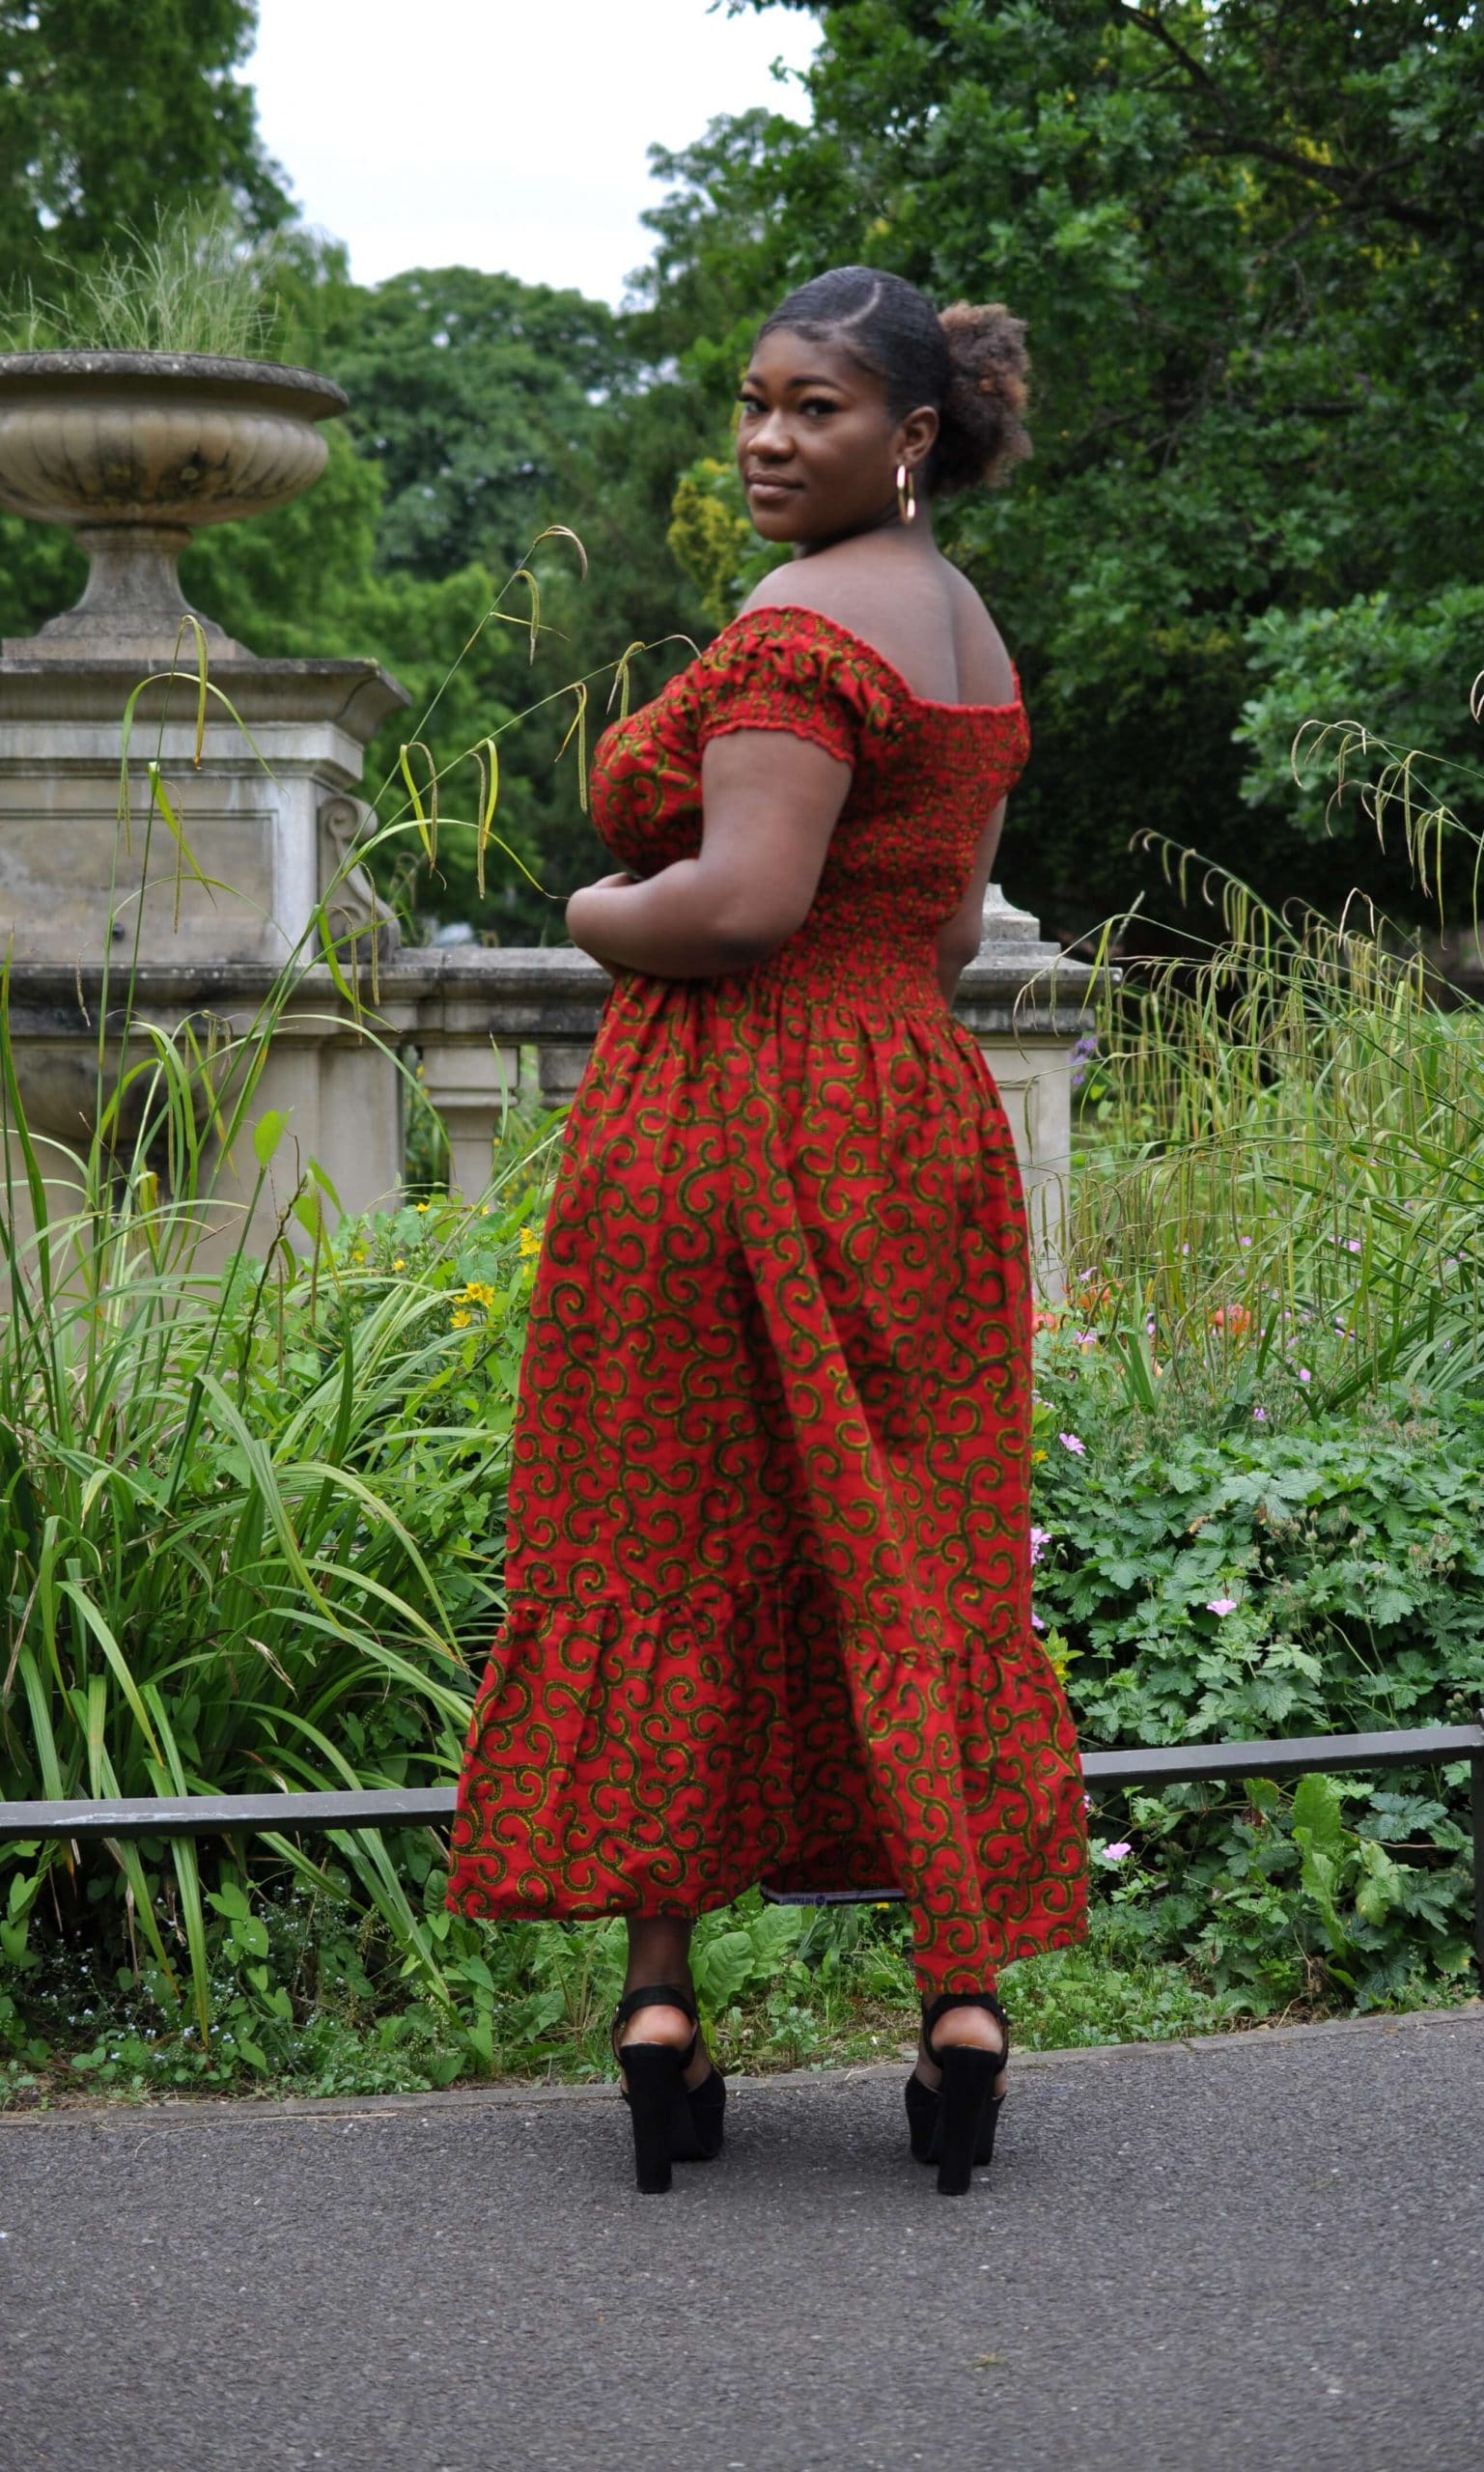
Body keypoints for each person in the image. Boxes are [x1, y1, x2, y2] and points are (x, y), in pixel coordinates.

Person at [446, 264, 1090, 2196]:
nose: (763, 437)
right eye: (751, 401)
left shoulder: (802, 620)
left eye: (812, 408)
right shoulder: (960, 626)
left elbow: (730, 906)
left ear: (909, 436)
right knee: (914, 1542)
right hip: (908, 1114)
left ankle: (660, 2001)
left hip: (730, 1116)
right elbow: (958, 923)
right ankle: (957, 2002)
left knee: (671, 1521)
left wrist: (585, 910)